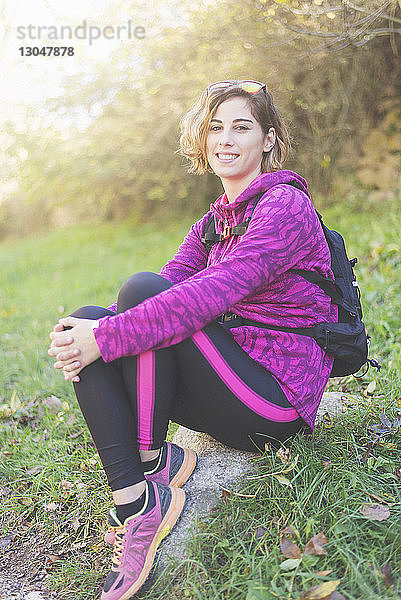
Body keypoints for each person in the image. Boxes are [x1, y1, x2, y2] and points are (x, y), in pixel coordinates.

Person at [47, 79, 337, 600]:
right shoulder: (214, 221)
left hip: (273, 401)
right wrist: (87, 333)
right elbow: (165, 286)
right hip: (227, 379)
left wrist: (107, 337)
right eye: (215, 128)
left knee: (134, 300)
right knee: (89, 316)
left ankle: (150, 471)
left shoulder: (285, 206)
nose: (225, 139)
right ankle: (139, 495)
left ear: (268, 140)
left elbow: (212, 292)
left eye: (242, 128)